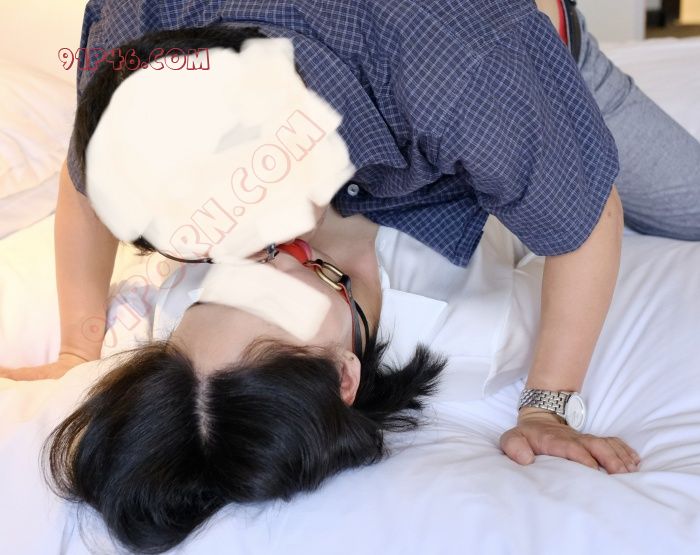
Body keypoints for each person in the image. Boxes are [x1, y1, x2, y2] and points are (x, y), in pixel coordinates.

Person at [1, 0, 698, 548]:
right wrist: (79, 343)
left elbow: (584, 216)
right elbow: (88, 174)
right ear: (344, 373)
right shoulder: (136, 51)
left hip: (523, 59)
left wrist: (548, 405)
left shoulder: (460, 66)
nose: (252, 255)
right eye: (237, 289)